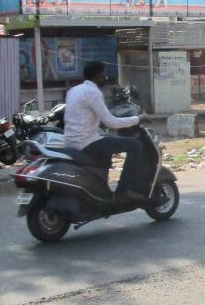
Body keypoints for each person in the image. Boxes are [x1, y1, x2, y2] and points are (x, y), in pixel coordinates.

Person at [64, 61, 149, 201]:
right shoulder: (94, 92)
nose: (106, 78)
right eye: (104, 75)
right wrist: (138, 119)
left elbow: (86, 117)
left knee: (106, 139)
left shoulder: (73, 90)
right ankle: (123, 190)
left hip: (70, 140)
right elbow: (110, 122)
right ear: (97, 76)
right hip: (86, 142)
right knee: (135, 145)